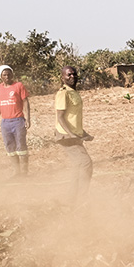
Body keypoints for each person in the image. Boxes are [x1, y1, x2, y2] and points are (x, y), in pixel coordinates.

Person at [55, 66, 93, 199]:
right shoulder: (63, 93)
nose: (72, 77)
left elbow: (73, 117)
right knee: (86, 163)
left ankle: (71, 198)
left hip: (74, 135)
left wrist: (83, 133)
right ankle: (82, 197)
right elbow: (60, 117)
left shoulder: (73, 92)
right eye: (69, 75)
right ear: (62, 78)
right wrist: (71, 135)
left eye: (74, 74)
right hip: (66, 136)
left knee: (78, 166)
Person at [0, 65, 31, 177]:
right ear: (1, 76)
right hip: (5, 122)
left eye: (9, 74)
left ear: (12, 74)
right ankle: (16, 172)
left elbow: (25, 102)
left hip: (18, 121)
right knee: (10, 147)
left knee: (21, 147)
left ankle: (24, 173)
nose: (7, 76)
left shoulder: (18, 86)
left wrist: (28, 119)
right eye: (4, 74)